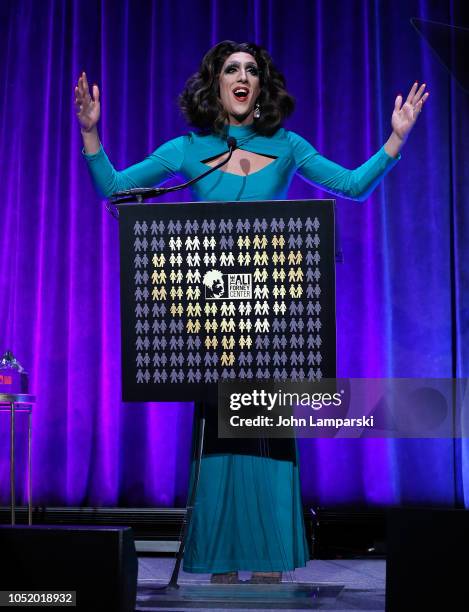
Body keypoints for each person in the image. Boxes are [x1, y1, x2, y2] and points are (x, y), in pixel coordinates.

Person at [75, 40, 428, 583]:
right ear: (215, 82)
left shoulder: (288, 146)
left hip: (273, 320)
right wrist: (91, 134)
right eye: (231, 69)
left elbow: (353, 187)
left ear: (262, 86)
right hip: (211, 320)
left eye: (252, 71)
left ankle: (267, 563)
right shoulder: (185, 151)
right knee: (220, 437)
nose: (242, 77)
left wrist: (394, 140)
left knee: (266, 434)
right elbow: (117, 191)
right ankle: (219, 562)